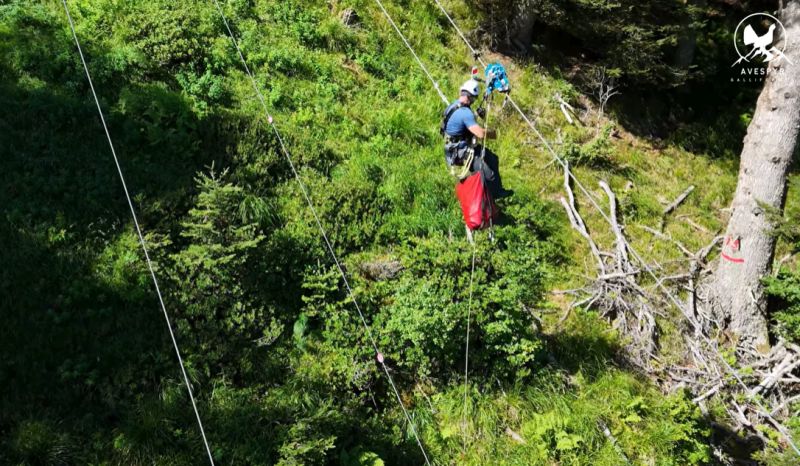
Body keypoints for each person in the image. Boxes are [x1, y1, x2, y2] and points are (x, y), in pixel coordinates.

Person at [441, 79, 513, 199]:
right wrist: (492, 133)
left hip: (452, 148)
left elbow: (460, 120)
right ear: (471, 98)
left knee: (493, 158)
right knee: (486, 171)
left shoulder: (453, 106)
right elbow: (479, 133)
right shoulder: (465, 113)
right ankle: (489, 196)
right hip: (460, 151)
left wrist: (474, 114)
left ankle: (493, 192)